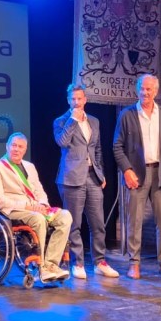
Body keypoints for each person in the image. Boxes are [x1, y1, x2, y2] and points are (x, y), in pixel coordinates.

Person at [112, 73, 161, 280]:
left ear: (156, 91)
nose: (145, 92)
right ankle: (134, 263)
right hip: (137, 174)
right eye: (142, 88)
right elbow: (117, 146)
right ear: (137, 90)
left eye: (149, 89)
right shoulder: (127, 115)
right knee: (134, 221)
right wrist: (127, 170)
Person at [0, 133, 71, 283]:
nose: (16, 149)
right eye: (14, 145)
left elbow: (39, 190)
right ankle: (41, 268)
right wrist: (29, 206)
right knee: (38, 219)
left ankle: (51, 265)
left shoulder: (30, 167)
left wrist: (43, 205)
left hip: (34, 208)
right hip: (12, 210)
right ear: (7, 146)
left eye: (20, 147)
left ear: (25, 150)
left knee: (65, 216)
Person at [53, 83, 118, 279]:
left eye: (79, 99)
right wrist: (73, 120)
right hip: (71, 177)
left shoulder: (94, 121)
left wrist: (101, 173)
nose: (76, 102)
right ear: (68, 101)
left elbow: (97, 148)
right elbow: (62, 142)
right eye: (73, 99)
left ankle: (100, 262)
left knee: (98, 223)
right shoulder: (61, 121)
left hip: (93, 176)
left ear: (85, 100)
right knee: (75, 224)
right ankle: (78, 263)